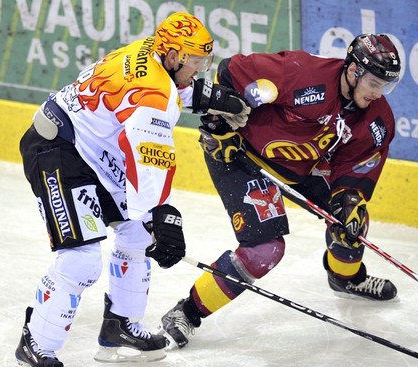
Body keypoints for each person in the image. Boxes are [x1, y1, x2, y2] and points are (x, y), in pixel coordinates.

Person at [13, 11, 249, 367]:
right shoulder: (154, 97)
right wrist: (162, 217)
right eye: (195, 63)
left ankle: (120, 328)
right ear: (172, 55)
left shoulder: (150, 54)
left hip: (92, 152)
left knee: (138, 235)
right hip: (58, 151)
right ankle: (34, 347)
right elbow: (148, 162)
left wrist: (212, 97)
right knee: (81, 259)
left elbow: (173, 91)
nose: (199, 70)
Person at [157, 33, 402, 350]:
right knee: (264, 250)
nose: (377, 93)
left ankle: (346, 278)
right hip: (242, 157)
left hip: (303, 167)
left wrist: (349, 199)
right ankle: (187, 313)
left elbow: (354, 169)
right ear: (353, 71)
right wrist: (220, 124)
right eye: (373, 82)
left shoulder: (376, 119)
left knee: (352, 223)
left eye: (385, 85)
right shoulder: (302, 73)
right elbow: (233, 71)